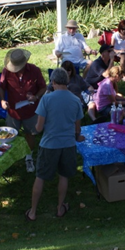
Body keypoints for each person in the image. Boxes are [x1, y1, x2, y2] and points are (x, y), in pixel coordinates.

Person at [26, 68, 85, 221]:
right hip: (68, 144)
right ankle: (60, 208)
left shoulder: (46, 99)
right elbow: (77, 128)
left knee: (40, 177)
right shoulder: (75, 100)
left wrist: (34, 131)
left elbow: (38, 128)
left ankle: (33, 212)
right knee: (64, 176)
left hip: (49, 145)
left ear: (53, 82)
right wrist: (77, 136)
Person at [0, 49, 47, 174]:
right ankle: (6, 160)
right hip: (13, 111)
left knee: (30, 134)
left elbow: (43, 87)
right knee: (8, 136)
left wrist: (36, 97)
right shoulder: (7, 71)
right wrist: (2, 100)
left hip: (30, 110)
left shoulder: (35, 70)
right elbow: (1, 87)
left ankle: (29, 157)